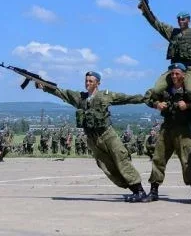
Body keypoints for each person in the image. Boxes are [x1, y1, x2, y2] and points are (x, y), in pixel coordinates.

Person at [34, 71, 149, 201]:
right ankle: (133, 189)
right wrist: (44, 87)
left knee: (121, 159)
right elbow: (61, 92)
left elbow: (127, 98)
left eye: (91, 81)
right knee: (106, 165)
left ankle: (139, 191)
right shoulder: (80, 98)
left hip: (107, 134)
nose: (87, 83)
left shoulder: (105, 96)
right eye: (86, 81)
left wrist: (147, 99)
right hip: (92, 138)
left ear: (97, 83)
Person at [143, 63, 191, 203]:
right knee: (158, 158)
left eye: (177, 73)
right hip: (167, 128)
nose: (174, 76)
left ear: (184, 75)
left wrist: (188, 105)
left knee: (187, 161)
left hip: (183, 130)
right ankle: (153, 191)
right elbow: (147, 97)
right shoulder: (165, 90)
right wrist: (157, 104)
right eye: (172, 74)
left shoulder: (189, 91)